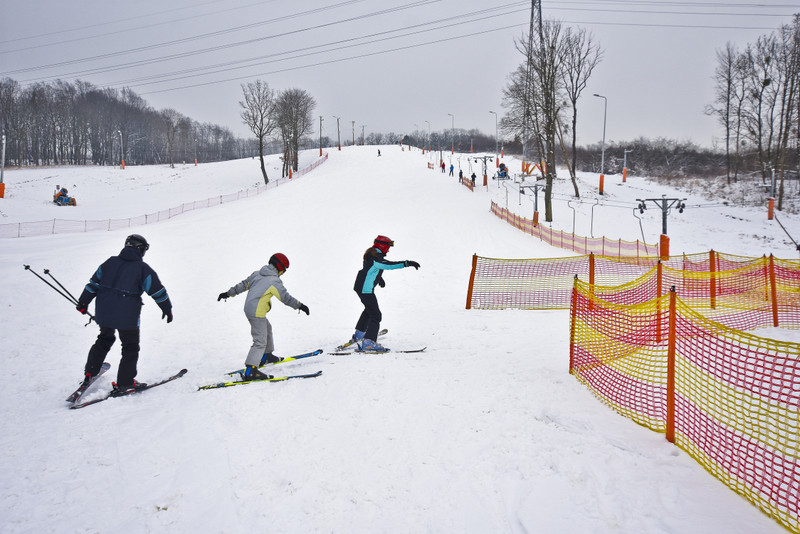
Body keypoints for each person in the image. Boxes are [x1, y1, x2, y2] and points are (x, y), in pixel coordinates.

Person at [76, 234, 173, 394]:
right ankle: (126, 382)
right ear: (141, 250)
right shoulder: (143, 269)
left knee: (104, 339)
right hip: (127, 317)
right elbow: (158, 291)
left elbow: (93, 284)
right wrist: (166, 308)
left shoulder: (109, 262)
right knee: (130, 347)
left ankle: (90, 372)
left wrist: (83, 302)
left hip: (104, 312)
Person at [217, 253, 309, 380]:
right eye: (284, 270)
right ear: (279, 267)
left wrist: (228, 293)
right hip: (256, 313)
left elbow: (243, 285)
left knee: (267, 329)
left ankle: (266, 356)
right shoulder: (274, 281)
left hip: (251, 310)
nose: (284, 273)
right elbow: (286, 298)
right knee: (260, 341)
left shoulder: (257, 274)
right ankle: (251, 370)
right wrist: (300, 306)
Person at [350, 235, 420, 353]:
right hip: (365, 289)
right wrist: (407, 263)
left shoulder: (371, 254)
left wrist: (378, 278)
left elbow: (369, 269)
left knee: (368, 310)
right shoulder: (376, 258)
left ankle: (359, 335)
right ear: (382, 246)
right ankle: (368, 343)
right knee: (376, 315)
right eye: (387, 247)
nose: (388, 249)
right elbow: (389, 265)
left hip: (361, 286)